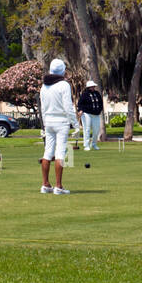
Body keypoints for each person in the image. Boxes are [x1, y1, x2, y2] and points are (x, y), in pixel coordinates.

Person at [39, 59, 80, 195]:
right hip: (61, 121)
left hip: (49, 121)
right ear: (63, 71)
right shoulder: (64, 85)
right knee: (60, 152)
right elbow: (68, 107)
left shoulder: (44, 86)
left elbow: (43, 108)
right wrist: (76, 124)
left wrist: (44, 125)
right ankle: (58, 186)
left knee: (47, 152)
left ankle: (45, 184)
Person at [78, 80, 104, 151]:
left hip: (96, 114)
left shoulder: (97, 93)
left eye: (93, 86)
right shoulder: (84, 94)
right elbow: (80, 103)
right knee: (87, 129)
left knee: (96, 130)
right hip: (87, 114)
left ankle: (94, 144)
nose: (93, 87)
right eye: (91, 86)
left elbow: (101, 103)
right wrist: (80, 110)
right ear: (88, 87)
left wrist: (100, 110)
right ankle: (86, 145)